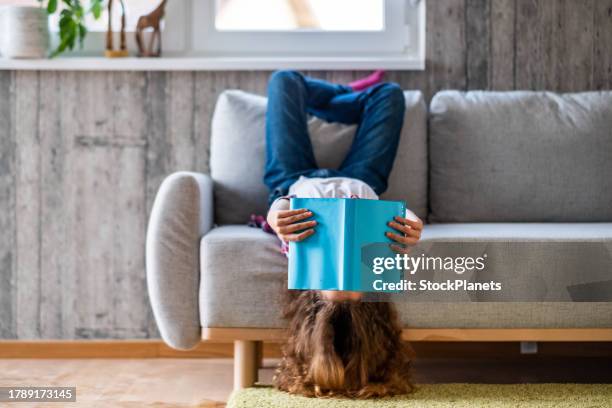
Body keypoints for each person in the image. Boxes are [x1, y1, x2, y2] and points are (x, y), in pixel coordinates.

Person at [263, 70, 424, 301]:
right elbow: (395, 220)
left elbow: (281, 210)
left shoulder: (301, 255)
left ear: (312, 284)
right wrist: (411, 222)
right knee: (389, 93)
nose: (341, 261)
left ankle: (339, 93)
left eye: (329, 272)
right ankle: (345, 93)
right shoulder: (376, 257)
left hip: (292, 179)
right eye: (354, 274)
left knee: (284, 80)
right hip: (362, 179)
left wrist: (274, 215)